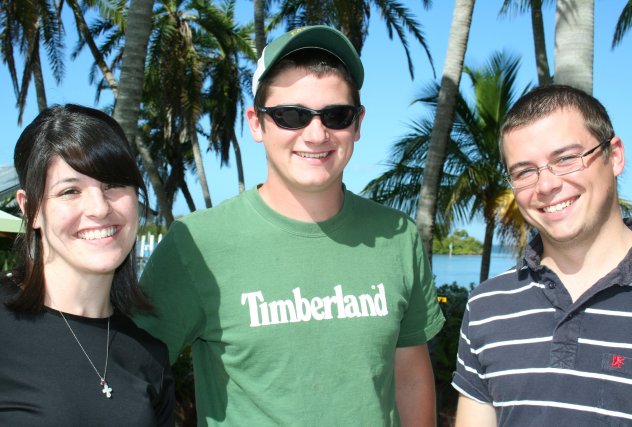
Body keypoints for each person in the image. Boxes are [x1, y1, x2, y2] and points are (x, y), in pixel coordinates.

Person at [134, 25, 445, 426]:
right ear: (256, 123)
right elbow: (129, 374)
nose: (316, 134)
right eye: (291, 116)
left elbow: (410, 378)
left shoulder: (398, 236)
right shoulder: (196, 244)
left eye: (336, 115)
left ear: (358, 124)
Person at [452, 84, 632, 426]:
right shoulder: (486, 307)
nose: (546, 185)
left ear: (614, 156)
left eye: (565, 159)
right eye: (524, 171)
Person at [0, 104, 175, 426]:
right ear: (30, 209)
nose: (99, 208)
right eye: (70, 191)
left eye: (113, 185)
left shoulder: (149, 355)